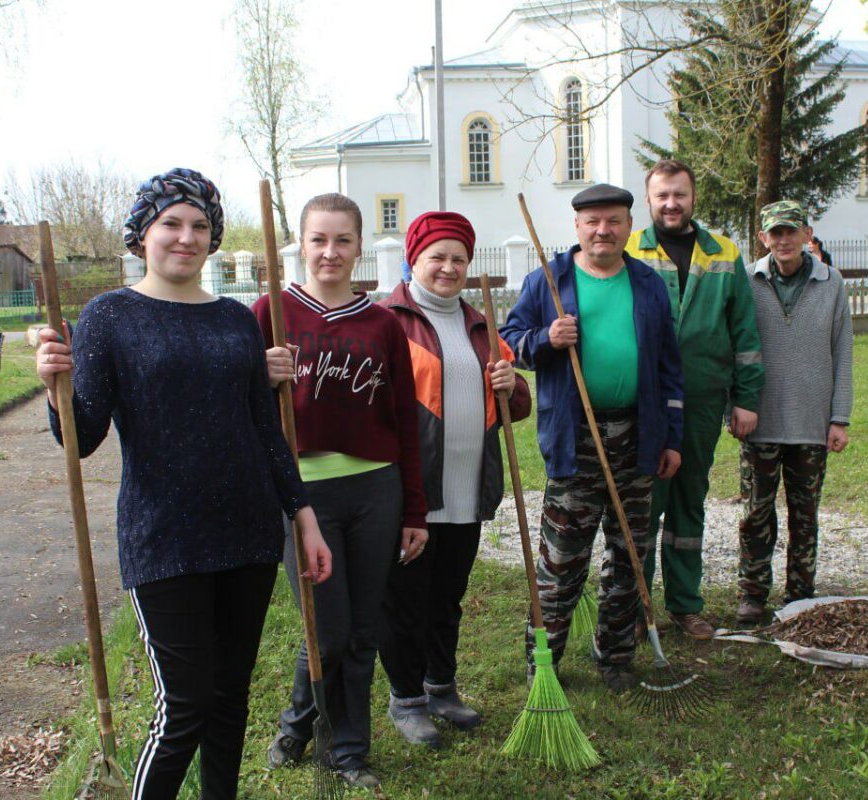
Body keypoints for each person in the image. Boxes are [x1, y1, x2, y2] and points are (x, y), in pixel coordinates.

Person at [34, 168, 331, 800]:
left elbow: (264, 428)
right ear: (142, 233)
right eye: (170, 223)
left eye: (199, 225)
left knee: (229, 701)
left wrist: (302, 516)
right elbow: (82, 440)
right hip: (163, 538)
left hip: (248, 532)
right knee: (185, 705)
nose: (185, 237)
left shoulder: (234, 319)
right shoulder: (109, 317)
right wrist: (54, 391)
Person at [253, 193, 427, 790]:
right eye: (318, 240)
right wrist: (260, 375)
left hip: (374, 491)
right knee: (325, 628)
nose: (330, 252)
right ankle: (317, 734)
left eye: (343, 240)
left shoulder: (381, 323)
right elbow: (241, 413)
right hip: (302, 497)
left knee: (359, 629)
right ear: (300, 244)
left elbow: (405, 419)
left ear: (359, 247)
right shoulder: (269, 314)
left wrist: (414, 509)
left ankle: (337, 744)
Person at [500, 183, 683, 692]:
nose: (604, 230)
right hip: (574, 434)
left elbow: (670, 365)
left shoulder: (647, 283)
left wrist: (671, 437)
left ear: (629, 226)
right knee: (562, 557)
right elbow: (511, 342)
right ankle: (545, 661)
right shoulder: (549, 281)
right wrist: (546, 339)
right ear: (578, 226)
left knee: (629, 552)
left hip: (639, 435)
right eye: (593, 222)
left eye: (615, 221)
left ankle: (615, 655)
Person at [377, 211, 532, 747]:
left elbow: (519, 408)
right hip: (412, 493)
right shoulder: (387, 322)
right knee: (405, 600)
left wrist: (511, 384)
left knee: (447, 596)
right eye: (436, 257)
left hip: (467, 486)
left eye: (458, 258)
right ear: (413, 260)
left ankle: (440, 687)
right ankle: (407, 699)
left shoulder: (480, 323)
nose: (447, 267)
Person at [624, 158, 764, 641]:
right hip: (645, 401)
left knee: (689, 501)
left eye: (679, 194)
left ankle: (685, 605)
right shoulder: (628, 250)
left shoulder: (724, 253)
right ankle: (636, 607)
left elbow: (744, 331)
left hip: (704, 399)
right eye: (662, 195)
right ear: (648, 199)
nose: (671, 203)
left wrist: (745, 400)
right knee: (643, 502)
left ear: (693, 197)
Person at [737, 200, 853, 626]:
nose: (783, 240)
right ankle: (752, 593)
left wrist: (839, 417)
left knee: (805, 515)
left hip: (811, 422)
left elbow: (843, 352)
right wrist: (735, 404)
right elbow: (732, 346)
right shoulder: (746, 281)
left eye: (791, 232)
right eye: (775, 233)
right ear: (763, 237)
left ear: (807, 234)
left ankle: (800, 596)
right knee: (755, 513)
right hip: (759, 420)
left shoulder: (831, 283)